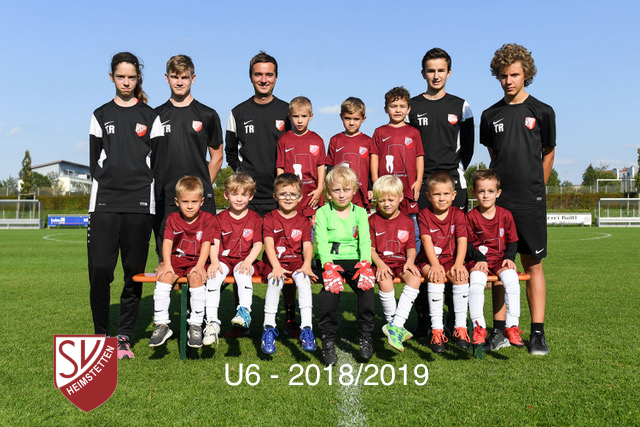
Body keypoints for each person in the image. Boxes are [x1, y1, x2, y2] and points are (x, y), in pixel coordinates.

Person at [480, 43, 556, 356]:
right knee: (499, 267)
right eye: (503, 75)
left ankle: (537, 334)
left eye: (514, 74)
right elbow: (494, 155)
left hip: (530, 201)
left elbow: (548, 153)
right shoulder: (490, 115)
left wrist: (537, 187)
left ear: (526, 74)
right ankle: (498, 330)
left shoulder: (543, 111)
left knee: (532, 264)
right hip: (499, 204)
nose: (508, 81)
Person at [88, 52, 163, 359]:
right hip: (104, 203)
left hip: (139, 204)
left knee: (133, 274)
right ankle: (100, 336)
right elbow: (94, 162)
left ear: (138, 79)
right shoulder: (100, 114)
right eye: (121, 76)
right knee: (100, 271)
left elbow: (158, 164)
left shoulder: (151, 116)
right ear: (112, 78)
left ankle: (123, 337)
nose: (126, 82)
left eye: (131, 77)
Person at [225, 51, 300, 338]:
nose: (264, 79)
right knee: (241, 257)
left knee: (286, 257)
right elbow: (230, 151)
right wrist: (243, 181)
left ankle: (290, 317)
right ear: (251, 77)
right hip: (249, 200)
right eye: (258, 74)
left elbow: (296, 146)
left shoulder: (287, 111)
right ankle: (241, 318)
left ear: (276, 77)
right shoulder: (238, 112)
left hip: (281, 198)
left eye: (269, 74)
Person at [408, 48, 474, 337]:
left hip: (452, 186)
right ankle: (425, 317)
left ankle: (452, 317)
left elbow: (468, 148)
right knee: (424, 251)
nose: (436, 76)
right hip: (421, 187)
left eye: (441, 70)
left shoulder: (461, 105)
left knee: (453, 249)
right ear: (423, 73)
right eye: (431, 70)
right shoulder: (411, 106)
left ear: (449, 72)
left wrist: (451, 178)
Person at [152, 55, 223, 261]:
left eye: (184, 77)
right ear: (166, 78)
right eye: (175, 77)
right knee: (167, 262)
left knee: (204, 263)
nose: (180, 82)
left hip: (200, 201)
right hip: (165, 199)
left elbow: (217, 157)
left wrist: (199, 189)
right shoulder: (155, 116)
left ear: (193, 78)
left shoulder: (208, 114)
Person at [315, 165, 373, 365]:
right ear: (328, 192)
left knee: (367, 289)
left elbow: (365, 241)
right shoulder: (323, 212)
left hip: (356, 260)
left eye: (346, 190)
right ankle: (328, 341)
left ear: (354, 190)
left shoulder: (360, 212)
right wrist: (327, 266)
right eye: (336, 190)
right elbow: (321, 242)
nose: (341, 195)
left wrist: (365, 264)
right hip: (331, 260)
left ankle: (366, 337)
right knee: (329, 293)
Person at [148, 176, 215, 349]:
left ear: (201, 201)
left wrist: (200, 265)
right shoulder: (172, 218)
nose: (190, 206)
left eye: (194, 201)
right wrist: (167, 264)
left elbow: (207, 243)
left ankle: (196, 326)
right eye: (185, 202)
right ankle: (162, 324)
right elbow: (167, 242)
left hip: (197, 261)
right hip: (176, 260)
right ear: (177, 202)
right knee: (164, 278)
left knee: (196, 278)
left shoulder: (207, 218)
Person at [257, 174, 318, 355]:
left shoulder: (304, 221)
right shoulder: (269, 218)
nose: (288, 198)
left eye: (293, 194)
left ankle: (307, 329)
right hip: (274, 262)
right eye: (283, 194)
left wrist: (307, 265)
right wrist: (276, 266)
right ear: (275, 196)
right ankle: (268, 328)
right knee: (275, 281)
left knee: (304, 281)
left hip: (296, 262)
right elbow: (268, 245)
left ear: (300, 197)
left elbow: (307, 246)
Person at [203, 173, 263, 343]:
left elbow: (258, 244)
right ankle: (212, 321)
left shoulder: (255, 219)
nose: (239, 199)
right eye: (234, 194)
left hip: (244, 259)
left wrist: (248, 261)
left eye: (244, 194)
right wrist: (214, 261)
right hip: (223, 260)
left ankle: (244, 311)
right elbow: (214, 243)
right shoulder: (218, 218)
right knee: (214, 276)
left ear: (251, 196)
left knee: (243, 274)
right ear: (226, 195)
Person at [465, 169, 521, 349]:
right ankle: (479, 327)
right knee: (476, 283)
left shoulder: (505, 215)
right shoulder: (470, 217)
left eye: (490, 191)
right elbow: (468, 245)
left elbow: (512, 241)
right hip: (478, 261)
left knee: (512, 279)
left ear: (498, 193)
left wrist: (510, 258)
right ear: (474, 192)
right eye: (481, 191)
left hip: (499, 260)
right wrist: (479, 259)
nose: (486, 195)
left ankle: (511, 326)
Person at [416, 171, 469, 354]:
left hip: (450, 260)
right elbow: (426, 241)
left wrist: (459, 264)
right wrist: (435, 265)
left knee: (461, 277)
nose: (441, 198)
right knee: (436, 277)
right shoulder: (424, 215)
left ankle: (460, 328)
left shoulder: (458, 214)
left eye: (446, 194)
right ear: (428, 196)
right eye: (437, 194)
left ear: (454, 195)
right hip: (428, 260)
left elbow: (462, 240)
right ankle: (437, 330)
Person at [369, 176, 422, 353]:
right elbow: (370, 248)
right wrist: (379, 264)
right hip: (382, 263)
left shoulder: (407, 221)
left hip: (401, 262)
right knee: (385, 281)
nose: (386, 204)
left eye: (391, 200)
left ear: (400, 198)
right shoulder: (372, 220)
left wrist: (410, 262)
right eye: (382, 200)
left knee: (415, 278)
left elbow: (411, 248)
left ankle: (396, 325)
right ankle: (394, 326)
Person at [371, 87, 424, 220]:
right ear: (386, 109)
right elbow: (374, 157)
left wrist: (418, 180)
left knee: (410, 223)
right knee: (385, 222)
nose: (398, 110)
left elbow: (419, 157)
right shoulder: (379, 132)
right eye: (393, 106)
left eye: (402, 106)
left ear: (408, 109)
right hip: (385, 187)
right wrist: (375, 181)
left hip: (408, 187)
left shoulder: (414, 132)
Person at [276, 96, 326, 220]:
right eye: (296, 116)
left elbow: (321, 165)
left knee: (311, 227)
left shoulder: (317, 139)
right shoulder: (284, 139)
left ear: (311, 116)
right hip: (290, 195)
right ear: (289, 117)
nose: (299, 121)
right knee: (292, 224)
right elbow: (280, 167)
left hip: (311, 194)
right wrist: (281, 189)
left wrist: (320, 189)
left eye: (304, 116)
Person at [326, 97, 373, 209]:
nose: (351, 123)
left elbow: (371, 168)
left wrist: (370, 188)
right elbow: (330, 167)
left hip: (361, 192)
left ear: (363, 119)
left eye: (356, 119)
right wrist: (328, 188)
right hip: (340, 192)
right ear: (341, 117)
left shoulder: (368, 141)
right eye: (347, 118)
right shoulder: (335, 140)